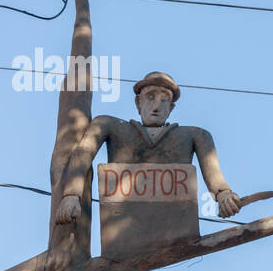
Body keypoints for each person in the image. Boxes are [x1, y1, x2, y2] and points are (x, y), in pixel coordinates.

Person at [54, 71, 241, 224]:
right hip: (121, 223)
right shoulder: (111, 126)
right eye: (150, 97)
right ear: (138, 103)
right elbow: (83, 155)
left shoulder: (194, 135)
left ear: (171, 107)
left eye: (164, 99)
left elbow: (213, 170)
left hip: (174, 225)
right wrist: (71, 194)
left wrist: (223, 195)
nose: (156, 106)